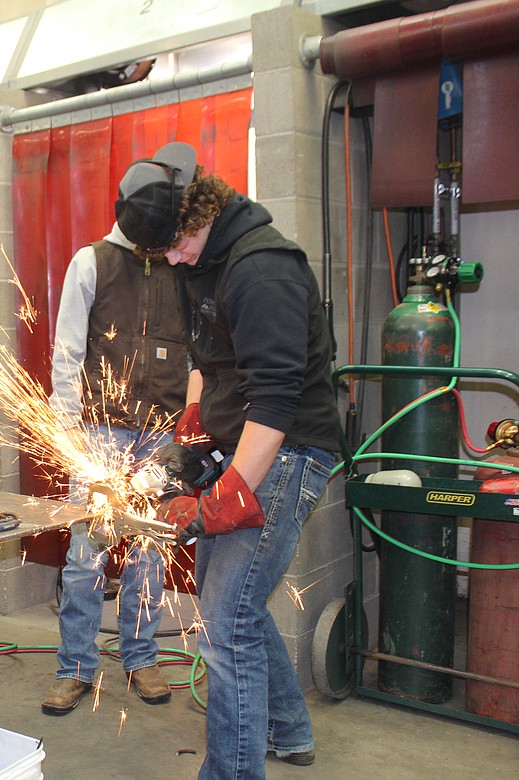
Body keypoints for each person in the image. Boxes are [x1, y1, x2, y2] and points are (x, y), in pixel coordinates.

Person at [125, 147, 339, 778]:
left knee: (227, 617)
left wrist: (227, 493)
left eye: (176, 244)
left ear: (202, 209)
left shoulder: (262, 269)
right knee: (235, 605)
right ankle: (291, 732)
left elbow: (276, 401)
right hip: (240, 441)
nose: (171, 258)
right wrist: (191, 430)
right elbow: (202, 361)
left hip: (288, 446)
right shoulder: (196, 260)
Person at [41, 143, 196, 716]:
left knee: (149, 553)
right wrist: (70, 436)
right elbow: (66, 354)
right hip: (100, 435)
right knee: (87, 554)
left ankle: (141, 658)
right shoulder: (92, 262)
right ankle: (75, 667)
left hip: (161, 432)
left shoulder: (180, 264)